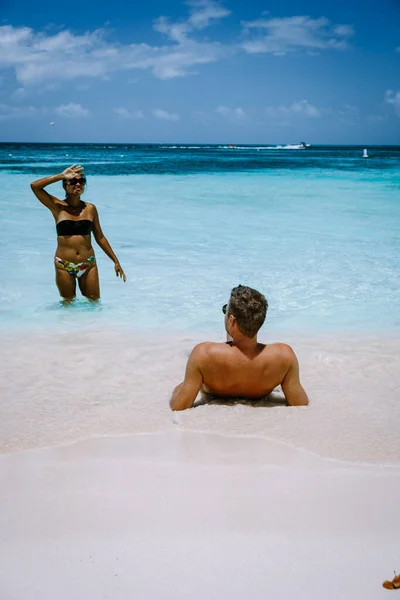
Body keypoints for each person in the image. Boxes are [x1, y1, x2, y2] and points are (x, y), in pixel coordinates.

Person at [170, 284, 309, 411]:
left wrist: (179, 388)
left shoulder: (203, 354)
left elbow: (179, 406)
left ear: (231, 320)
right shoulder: (284, 356)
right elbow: (300, 404)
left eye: (225, 309)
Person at [30, 164, 126, 302]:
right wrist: (61, 176)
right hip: (64, 265)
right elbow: (35, 186)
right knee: (68, 304)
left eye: (82, 181)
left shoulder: (90, 208)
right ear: (65, 186)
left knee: (94, 302)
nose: (78, 184)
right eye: (73, 181)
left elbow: (100, 237)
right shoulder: (56, 206)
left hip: (88, 264)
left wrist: (115, 261)